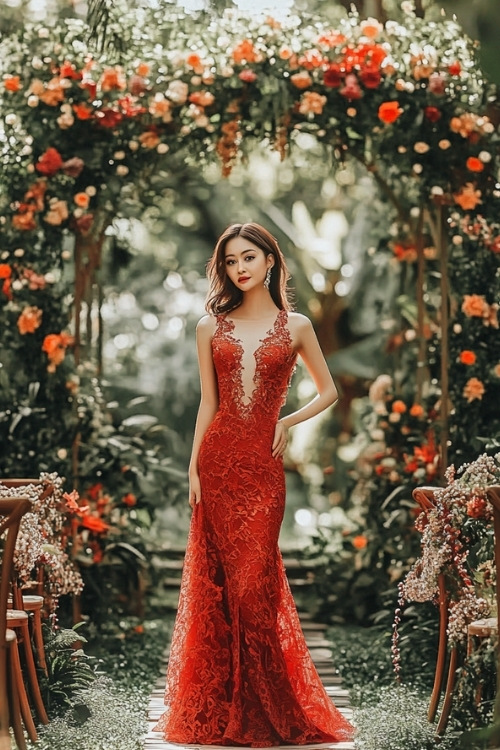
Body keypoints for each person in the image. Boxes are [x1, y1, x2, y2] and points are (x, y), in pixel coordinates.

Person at [154, 222, 354, 746]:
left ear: (270, 261)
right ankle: (225, 709)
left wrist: (286, 422)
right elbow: (208, 404)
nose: (239, 268)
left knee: (254, 585)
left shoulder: (298, 326)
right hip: (218, 464)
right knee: (219, 586)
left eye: (248, 257)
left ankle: (270, 708)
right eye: (229, 261)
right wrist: (193, 468)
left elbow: (328, 391)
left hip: (263, 470)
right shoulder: (209, 327)